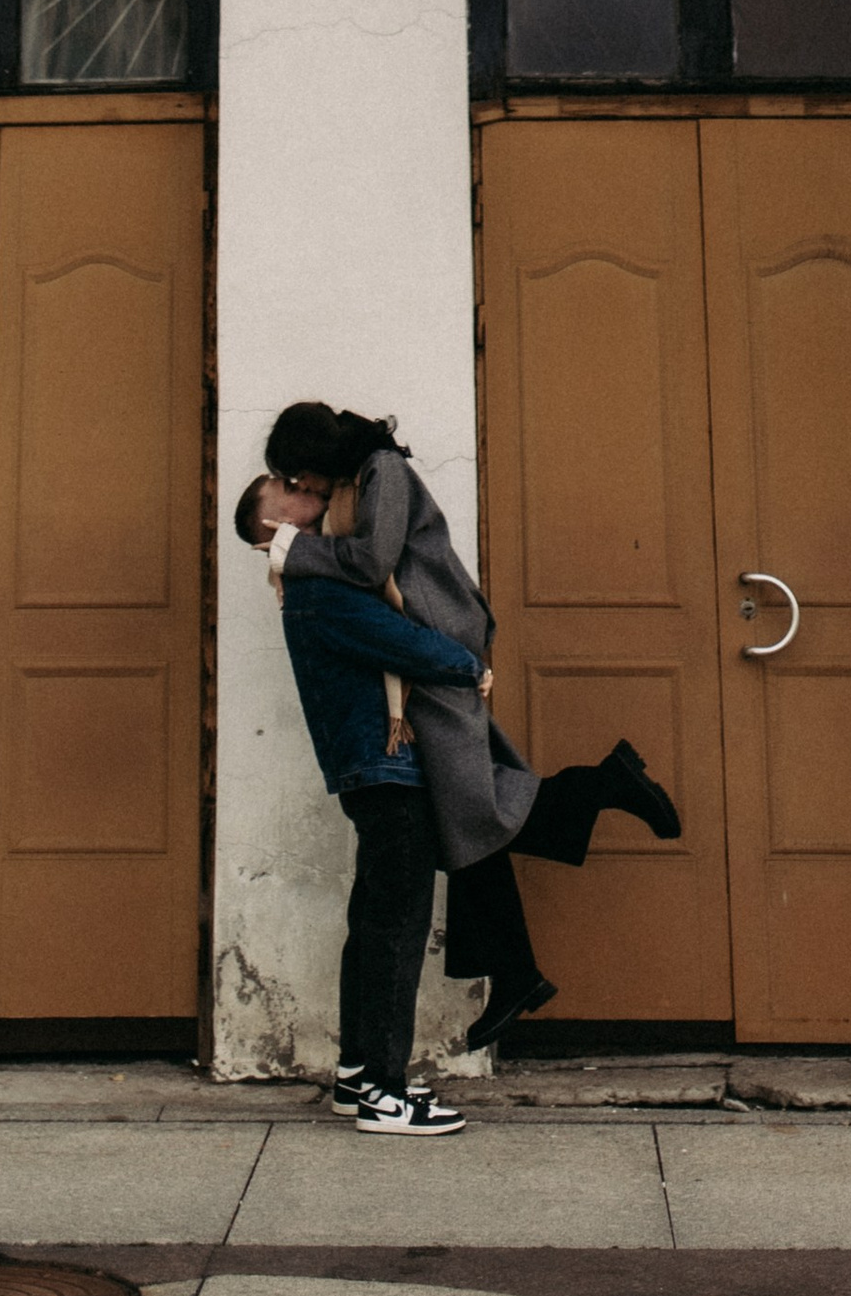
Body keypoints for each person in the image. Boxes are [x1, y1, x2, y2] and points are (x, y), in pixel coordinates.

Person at [262, 401, 682, 1052]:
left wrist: (295, 548)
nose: (302, 487)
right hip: (419, 648)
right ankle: (517, 972)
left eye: (299, 475)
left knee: (471, 806)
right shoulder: (354, 483)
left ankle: (604, 785)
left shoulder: (382, 470)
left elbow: (371, 563)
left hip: (438, 637)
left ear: (318, 456)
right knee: (464, 811)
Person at [235, 471, 480, 1135]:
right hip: (387, 773)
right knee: (396, 929)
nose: (308, 487)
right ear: (277, 525)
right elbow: (411, 645)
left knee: (374, 925)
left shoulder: (311, 585)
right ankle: (385, 1094)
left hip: (373, 771)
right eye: (288, 487)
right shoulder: (321, 589)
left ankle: (356, 1076)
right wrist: (469, 663)